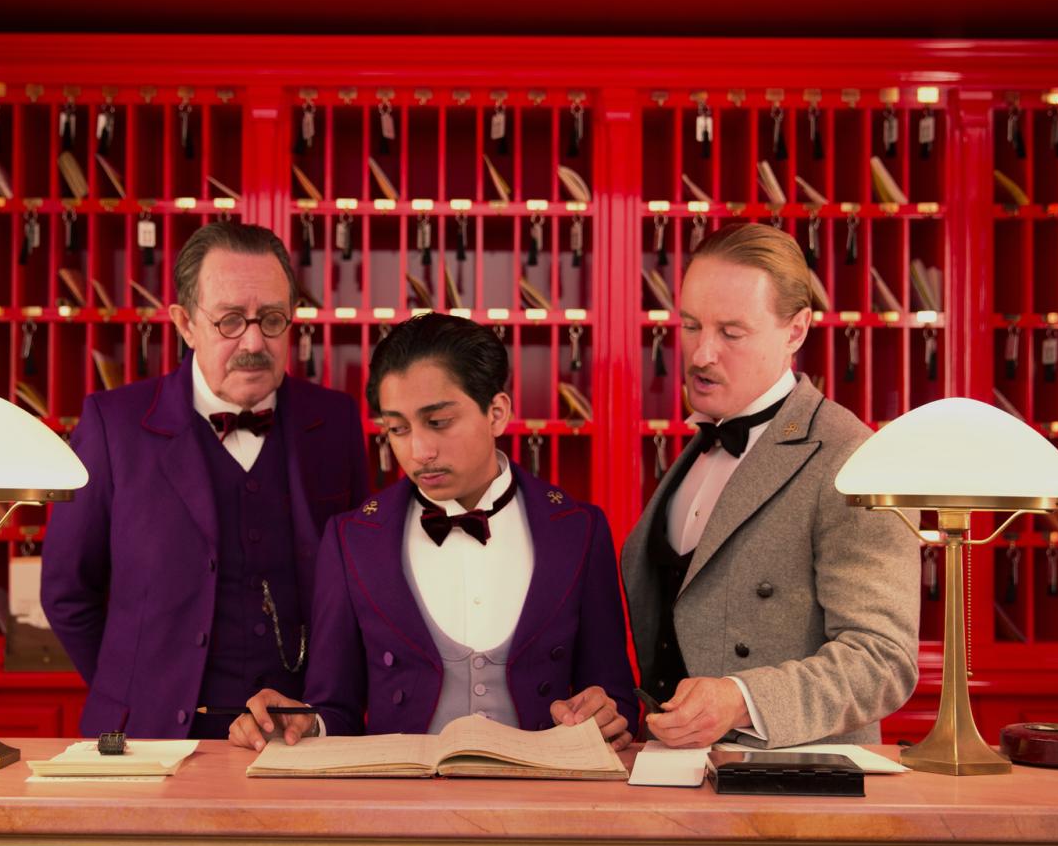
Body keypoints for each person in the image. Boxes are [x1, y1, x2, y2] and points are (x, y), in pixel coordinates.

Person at [230, 312, 636, 751]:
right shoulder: (352, 540)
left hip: (542, 791)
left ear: (497, 413)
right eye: (397, 429)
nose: (419, 450)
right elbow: (335, 709)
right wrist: (301, 725)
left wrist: (606, 715)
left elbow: (616, 700)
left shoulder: (579, 530)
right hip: (399, 791)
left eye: (438, 422)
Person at [42, 221, 369, 739]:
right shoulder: (113, 425)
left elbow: (357, 587)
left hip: (296, 739)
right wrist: (132, 693)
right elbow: (67, 591)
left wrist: (323, 709)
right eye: (230, 321)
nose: (254, 342)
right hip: (148, 740)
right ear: (185, 324)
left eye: (272, 319)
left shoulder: (335, 421)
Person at [621, 223, 919, 749]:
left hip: (790, 782)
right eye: (690, 325)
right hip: (673, 767)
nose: (700, 354)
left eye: (731, 333)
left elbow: (882, 661)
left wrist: (741, 698)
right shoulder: (698, 447)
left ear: (796, 330)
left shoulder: (852, 456)